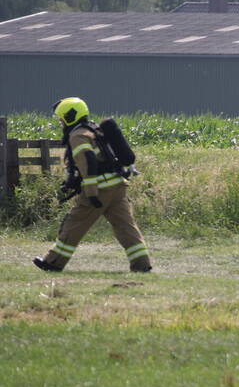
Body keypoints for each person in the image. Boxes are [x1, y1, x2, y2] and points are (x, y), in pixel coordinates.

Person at [32, 97, 152, 273]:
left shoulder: (78, 135)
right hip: (117, 185)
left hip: (100, 189)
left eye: (61, 119)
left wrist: (92, 193)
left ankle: (53, 262)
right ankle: (142, 265)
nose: (61, 123)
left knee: (74, 223)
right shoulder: (94, 130)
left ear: (69, 117)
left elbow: (88, 162)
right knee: (126, 226)